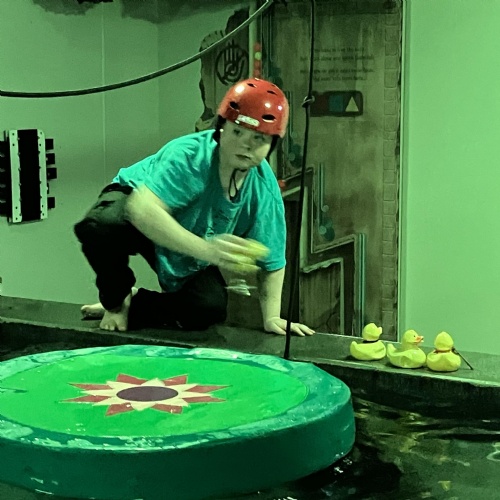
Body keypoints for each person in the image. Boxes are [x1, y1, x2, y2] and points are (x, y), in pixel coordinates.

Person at [74, 78, 314, 337]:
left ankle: (136, 305)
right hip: (139, 208)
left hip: (189, 234)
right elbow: (141, 211)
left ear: (271, 145)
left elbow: (272, 260)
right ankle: (117, 301)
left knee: (208, 308)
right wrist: (209, 251)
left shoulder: (263, 190)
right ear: (221, 129)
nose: (246, 145)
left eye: (259, 138)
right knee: (102, 226)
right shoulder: (190, 155)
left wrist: (272, 317)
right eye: (237, 132)